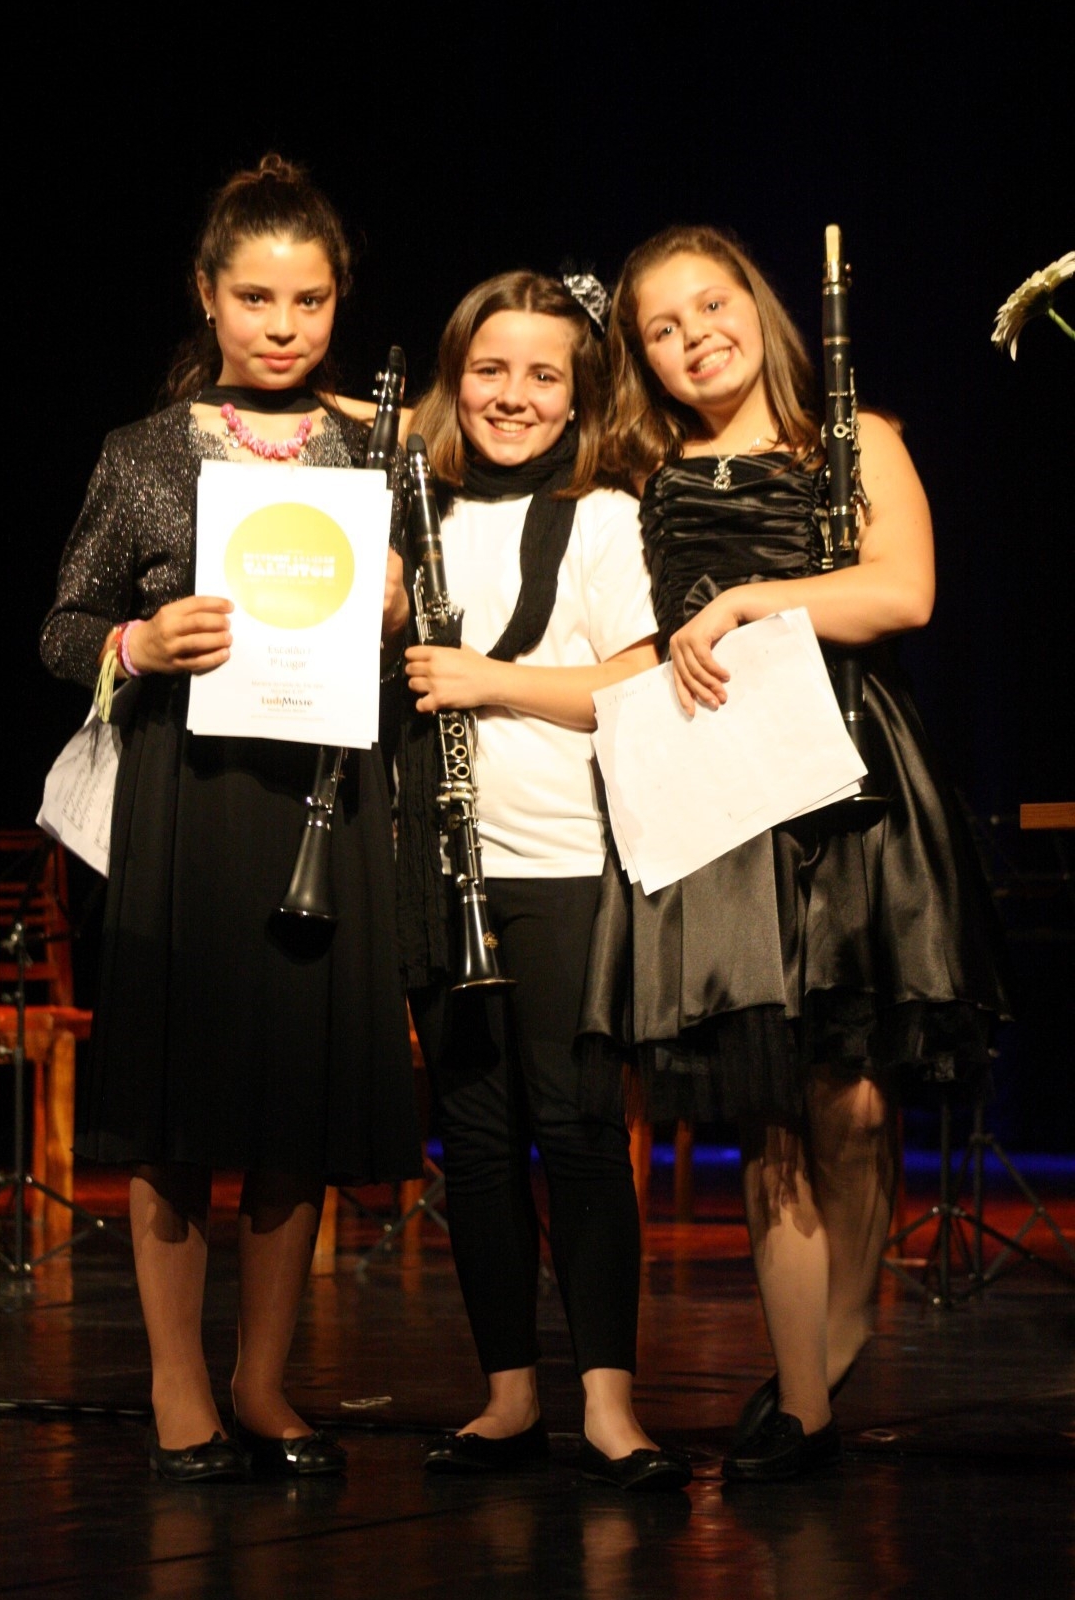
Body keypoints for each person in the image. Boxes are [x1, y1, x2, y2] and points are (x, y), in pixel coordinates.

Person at [580, 226, 1011, 1481]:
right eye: (662, 327)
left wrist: (747, 600)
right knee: (768, 1104)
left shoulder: (853, 440)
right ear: (642, 356)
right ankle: (807, 1402)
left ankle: (842, 1329)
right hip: (722, 791)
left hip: (849, 783)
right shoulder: (645, 474)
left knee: (854, 1100)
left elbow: (903, 593)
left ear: (759, 306)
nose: (695, 337)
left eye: (711, 305)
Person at [40, 155, 422, 1482]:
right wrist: (138, 642)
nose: (282, 324)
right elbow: (63, 628)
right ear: (207, 295)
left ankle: (263, 1382)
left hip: (325, 801)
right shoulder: (144, 453)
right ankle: (178, 1384)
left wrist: (401, 610)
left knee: (294, 1102)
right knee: (175, 1104)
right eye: (255, 297)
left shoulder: (376, 452)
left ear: (339, 302)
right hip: (187, 808)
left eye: (309, 300)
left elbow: (422, 650)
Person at [395, 270, 690, 1491]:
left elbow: (639, 679)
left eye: (541, 375)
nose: (512, 395)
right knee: (473, 1141)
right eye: (490, 370)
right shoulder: (411, 507)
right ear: (454, 380)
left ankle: (609, 1407)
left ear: (578, 397)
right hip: (435, 864)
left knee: (576, 1130)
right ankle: (509, 1396)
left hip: (564, 859)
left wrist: (489, 680)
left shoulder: (606, 516)